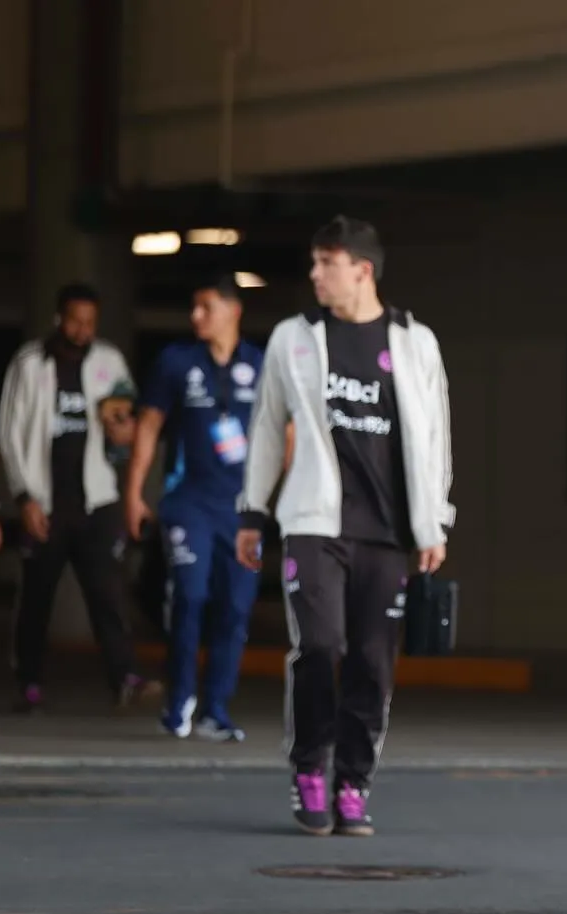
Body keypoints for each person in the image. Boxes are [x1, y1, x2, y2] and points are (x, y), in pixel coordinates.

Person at [235, 216, 454, 838]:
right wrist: (253, 511)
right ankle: (310, 768)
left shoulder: (416, 343)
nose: (313, 274)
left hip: (388, 532)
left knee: (373, 664)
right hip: (314, 521)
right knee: (320, 646)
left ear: (361, 269)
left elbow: (437, 438)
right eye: (313, 262)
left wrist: (434, 521)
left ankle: (353, 782)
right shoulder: (293, 338)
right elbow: (265, 429)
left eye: (324, 262)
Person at [0, 282, 162, 713]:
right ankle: (28, 681)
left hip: (98, 499)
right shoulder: (30, 363)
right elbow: (10, 433)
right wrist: (24, 497)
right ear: (59, 319)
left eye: (89, 322)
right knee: (37, 597)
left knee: (108, 592)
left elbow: (127, 424)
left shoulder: (108, 361)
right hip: (45, 501)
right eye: (74, 321)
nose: (82, 330)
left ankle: (124, 675)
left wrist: (122, 430)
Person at [125, 273, 271, 742]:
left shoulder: (261, 362)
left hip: (243, 510)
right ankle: (180, 699)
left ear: (233, 310)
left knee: (236, 606)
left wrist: (273, 496)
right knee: (190, 596)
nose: (196, 316)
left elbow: (284, 435)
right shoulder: (175, 361)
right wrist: (133, 493)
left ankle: (215, 710)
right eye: (194, 307)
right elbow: (148, 427)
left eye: (206, 307)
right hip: (188, 503)